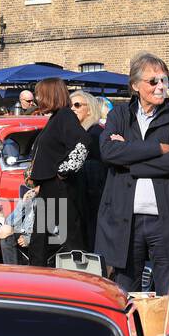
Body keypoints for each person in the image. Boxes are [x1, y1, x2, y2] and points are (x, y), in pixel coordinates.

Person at [96, 53, 169, 294]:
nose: (160, 87)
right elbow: (108, 152)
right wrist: (156, 148)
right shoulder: (119, 115)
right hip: (126, 220)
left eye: (164, 80)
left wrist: (130, 163)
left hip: (165, 220)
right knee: (125, 292)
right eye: (153, 81)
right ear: (135, 85)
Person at [27, 77, 92, 267]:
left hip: (59, 188)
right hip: (51, 188)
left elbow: (83, 143)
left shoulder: (64, 116)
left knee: (66, 240)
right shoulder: (57, 117)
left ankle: (74, 282)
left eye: (40, 94)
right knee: (43, 241)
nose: (38, 98)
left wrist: (63, 171)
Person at [71, 90, 108, 251]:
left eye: (77, 105)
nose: (72, 108)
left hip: (93, 199)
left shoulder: (94, 134)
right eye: (70, 105)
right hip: (81, 199)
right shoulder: (80, 133)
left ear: (90, 110)